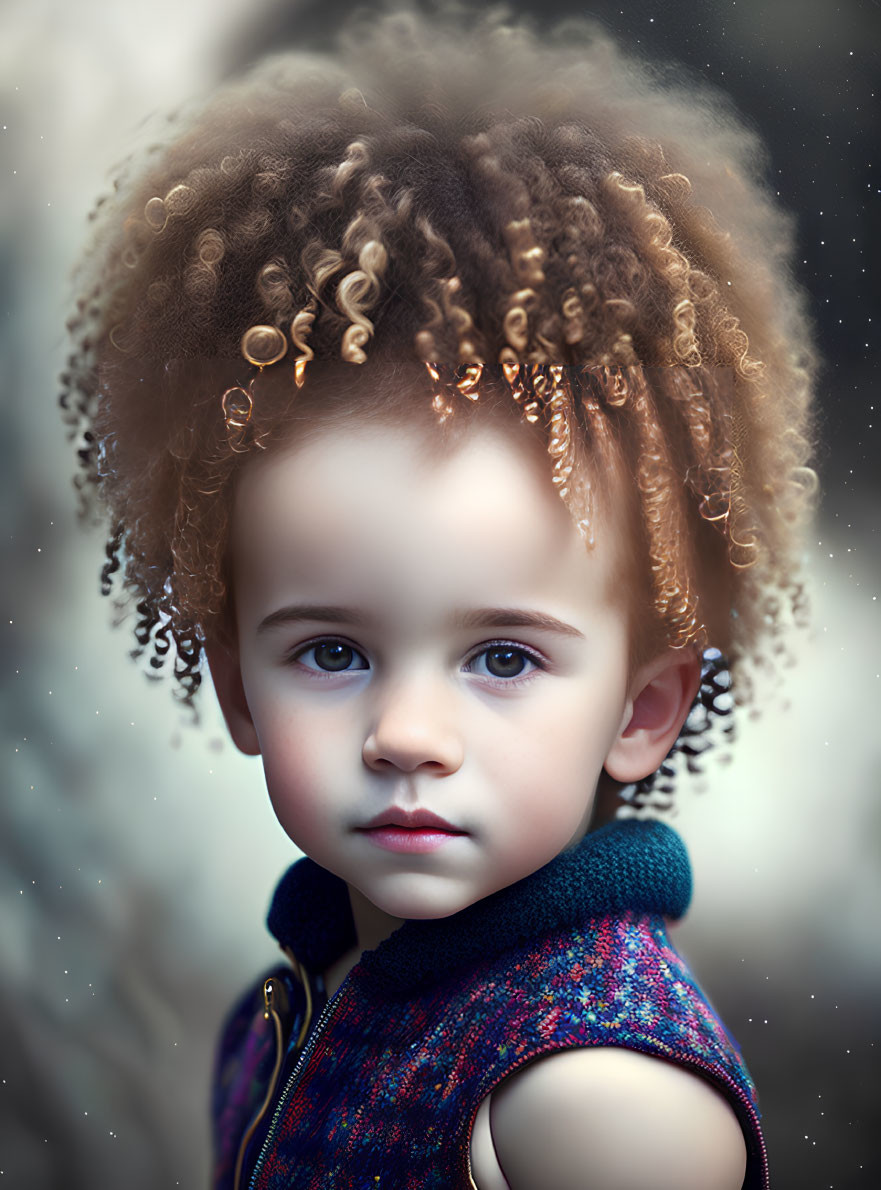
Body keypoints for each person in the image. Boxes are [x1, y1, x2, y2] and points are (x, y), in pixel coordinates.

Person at [61, 5, 816, 1187]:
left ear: (641, 710)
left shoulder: (595, 1094)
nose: (407, 733)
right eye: (330, 653)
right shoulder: (297, 998)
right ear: (235, 684)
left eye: (503, 658)